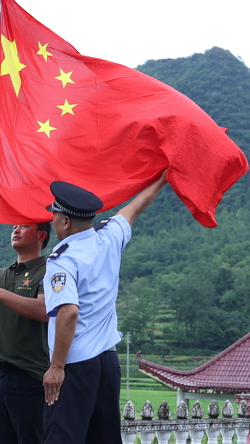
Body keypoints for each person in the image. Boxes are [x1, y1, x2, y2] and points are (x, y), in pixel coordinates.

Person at [42, 172, 167, 444]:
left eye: (54, 217)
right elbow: (135, 207)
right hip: (108, 362)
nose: (52, 222)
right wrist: (163, 178)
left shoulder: (61, 260)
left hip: (75, 364)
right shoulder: (108, 238)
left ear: (64, 222)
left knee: (61, 437)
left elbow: (69, 312)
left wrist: (57, 367)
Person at [0, 223, 52, 444]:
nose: (16, 230)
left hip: (29, 375)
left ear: (41, 235)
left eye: (24, 226)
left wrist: (0, 294)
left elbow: (44, 310)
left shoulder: (49, 269)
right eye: (14, 227)